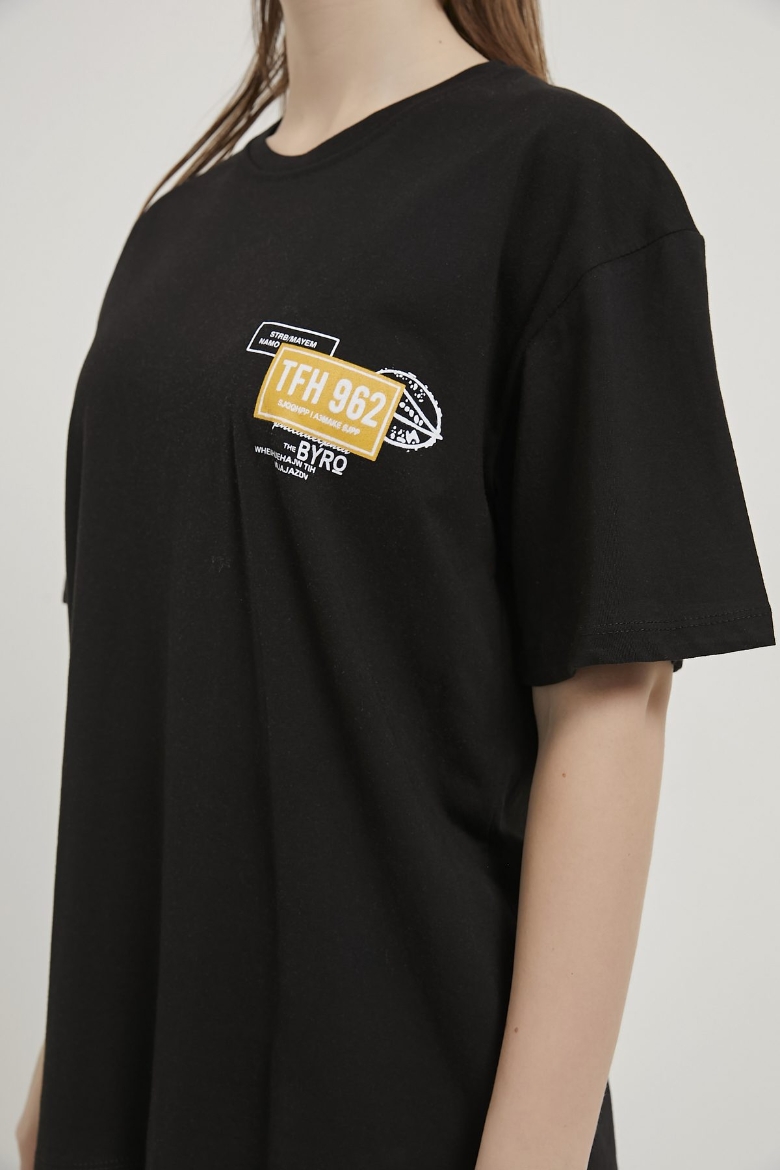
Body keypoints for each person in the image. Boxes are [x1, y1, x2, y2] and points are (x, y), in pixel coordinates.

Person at [16, 1, 775, 1168]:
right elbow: (142, 696)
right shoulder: (172, 240)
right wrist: (61, 1078)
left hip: (398, 1102)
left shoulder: (566, 186)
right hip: (133, 1105)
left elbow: (612, 713)